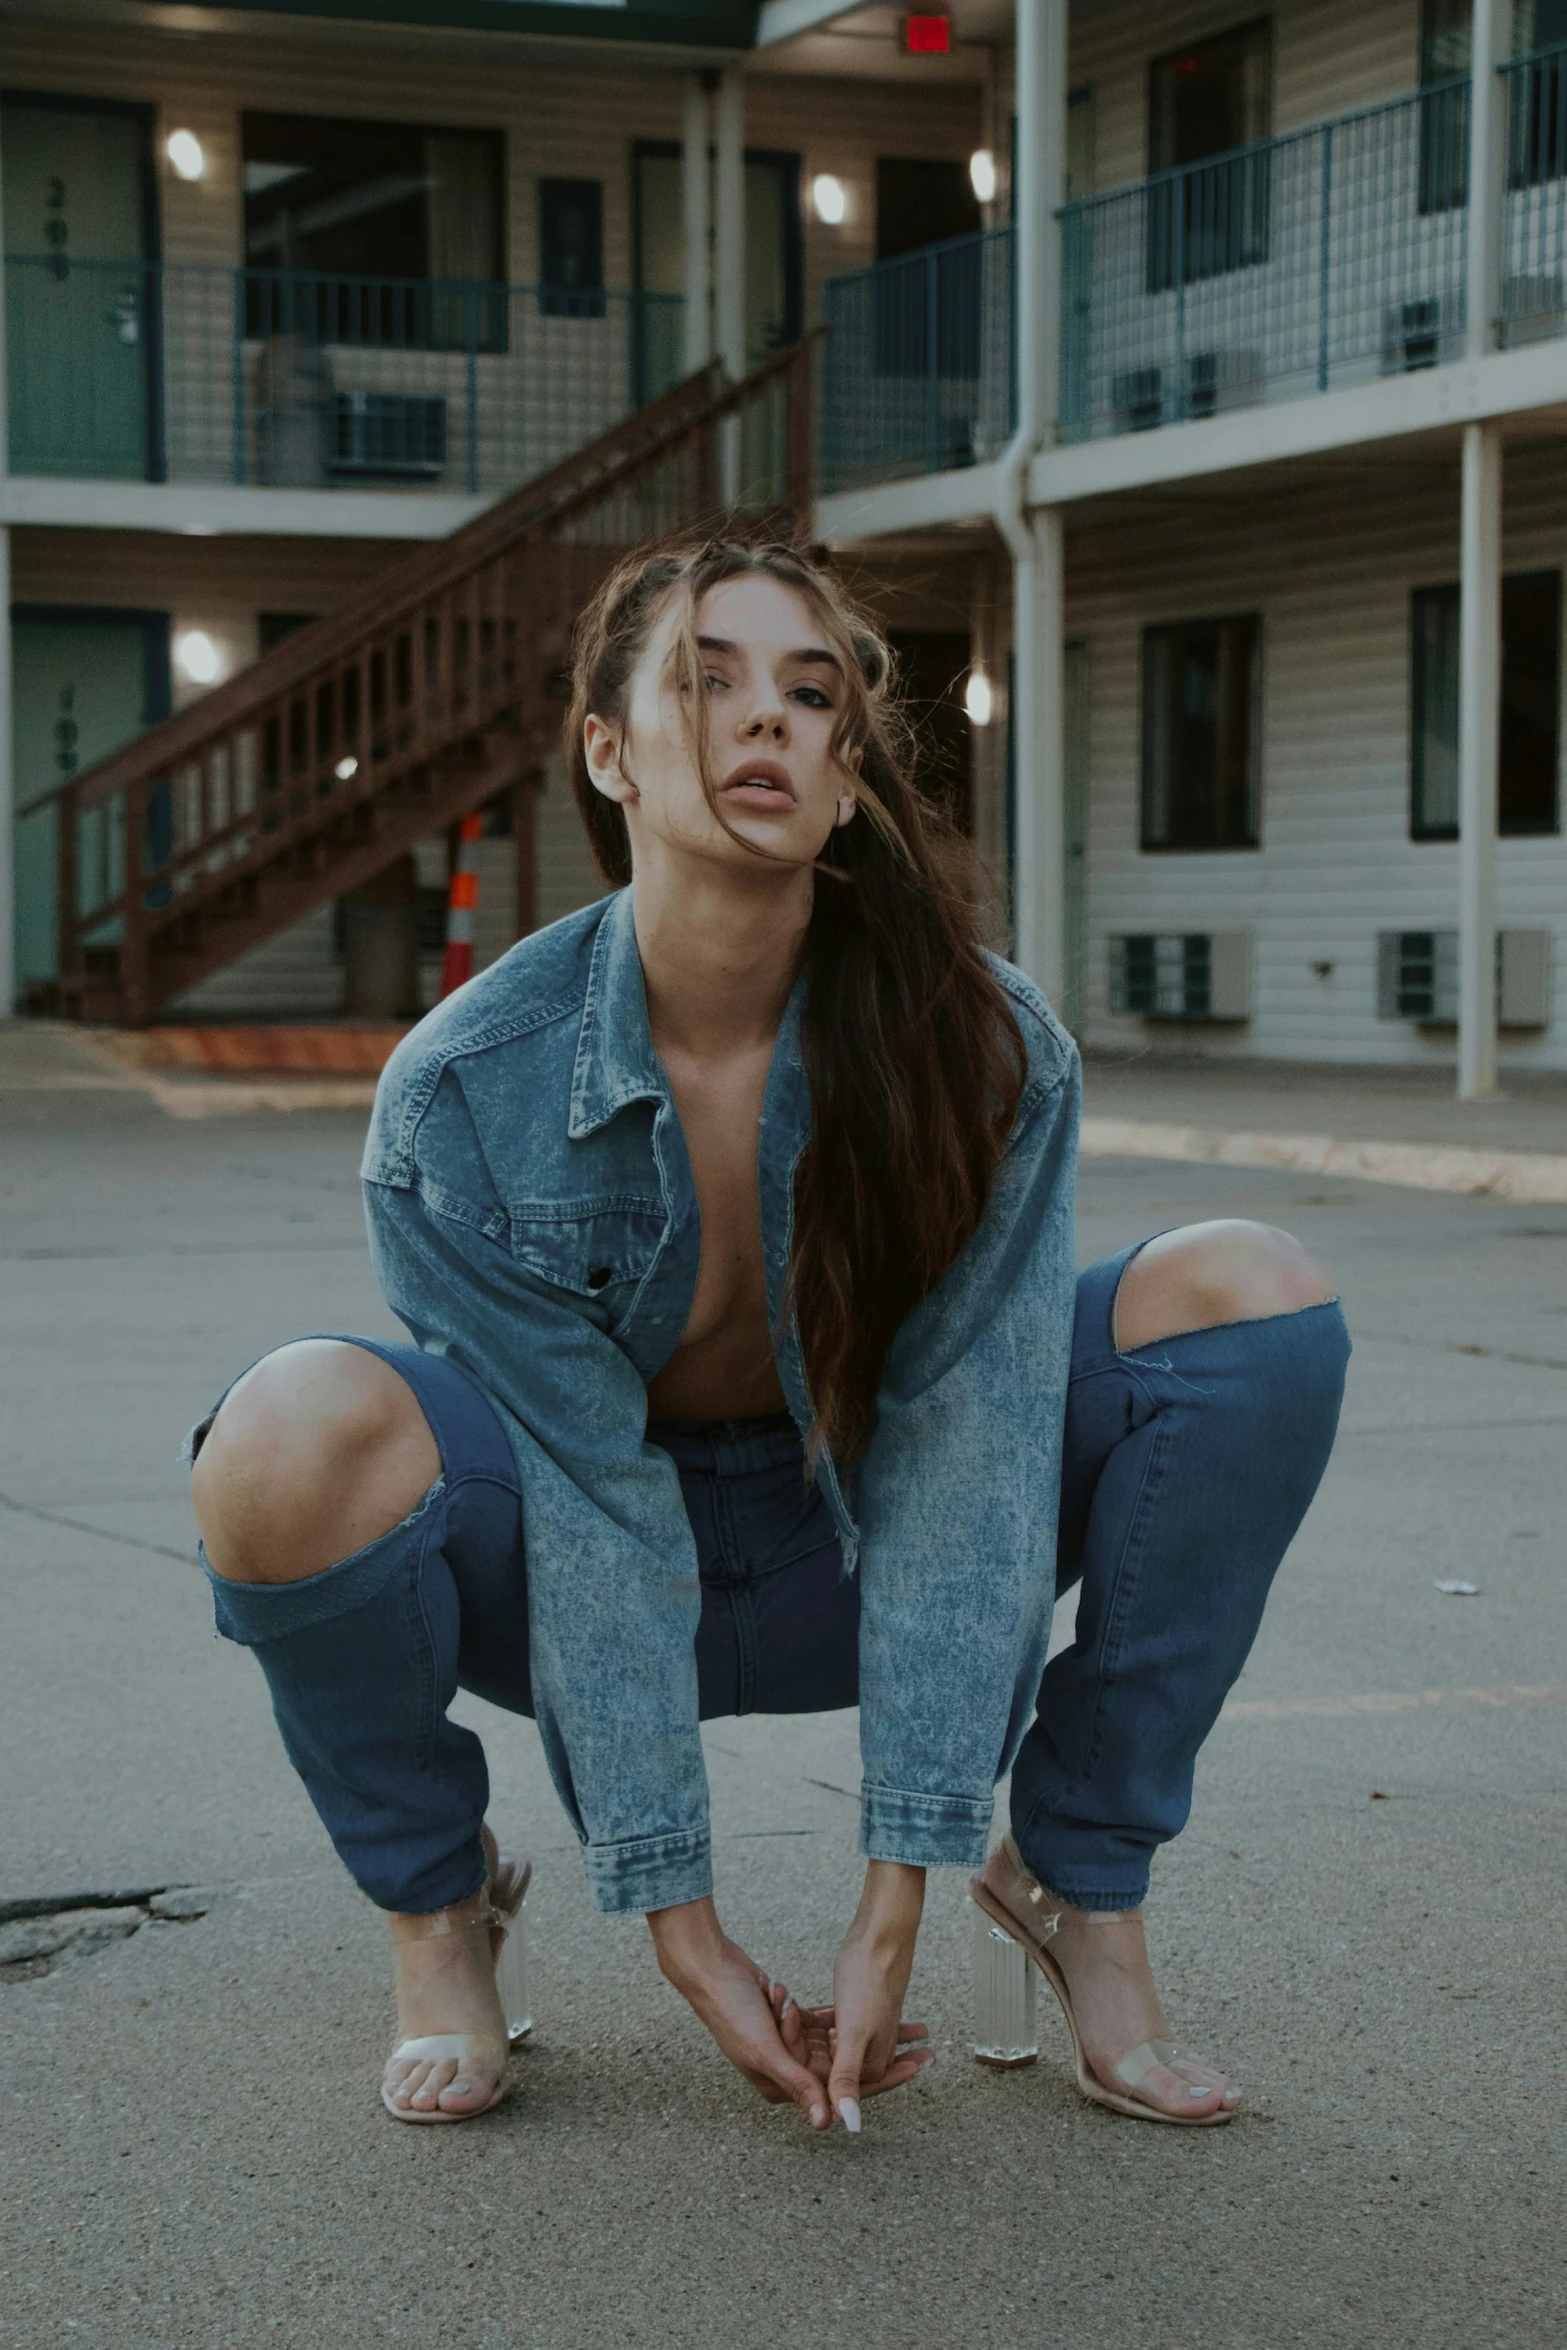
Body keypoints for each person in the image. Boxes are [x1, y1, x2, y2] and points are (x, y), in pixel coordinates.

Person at [189, 537, 1348, 2134]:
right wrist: (685, 1929)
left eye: (811, 696)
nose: (768, 724)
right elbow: (587, 1495)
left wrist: (902, 1892)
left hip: (849, 1533)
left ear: (850, 773)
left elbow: (969, 1444)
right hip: (572, 1561)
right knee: (282, 1431)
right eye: (709, 681)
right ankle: (436, 1908)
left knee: (1248, 1291)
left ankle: (1075, 1884)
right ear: (608, 751)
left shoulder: (986, 1046)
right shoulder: (465, 1092)